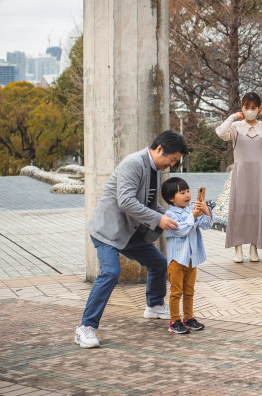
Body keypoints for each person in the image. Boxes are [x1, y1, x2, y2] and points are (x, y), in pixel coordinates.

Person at [75, 131, 188, 349]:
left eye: (175, 161)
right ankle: (85, 327)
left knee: (158, 263)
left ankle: (154, 305)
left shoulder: (155, 168)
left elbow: (150, 203)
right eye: (171, 159)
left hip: (129, 233)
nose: (171, 165)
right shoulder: (134, 163)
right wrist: (158, 219)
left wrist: (172, 217)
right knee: (111, 273)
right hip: (107, 232)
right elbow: (126, 201)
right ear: (158, 149)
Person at [215, 92, 262, 263]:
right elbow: (220, 132)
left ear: (259, 108)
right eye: (247, 107)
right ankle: (238, 249)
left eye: (254, 108)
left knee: (257, 210)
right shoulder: (236, 127)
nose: (250, 111)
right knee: (238, 209)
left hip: (259, 174)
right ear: (242, 108)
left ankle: (254, 247)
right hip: (241, 172)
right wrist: (232, 117)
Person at [161, 177, 213, 335]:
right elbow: (180, 230)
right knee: (176, 291)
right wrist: (194, 216)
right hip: (177, 260)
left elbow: (207, 224)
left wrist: (205, 210)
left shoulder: (192, 210)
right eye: (182, 193)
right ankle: (174, 320)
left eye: (188, 191)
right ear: (171, 198)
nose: (187, 195)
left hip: (192, 258)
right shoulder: (169, 214)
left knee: (189, 290)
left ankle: (188, 318)